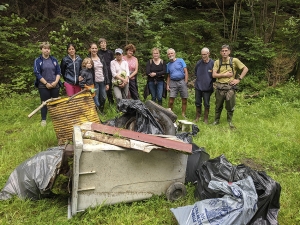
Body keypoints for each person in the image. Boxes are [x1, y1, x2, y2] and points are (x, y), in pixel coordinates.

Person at [212, 44, 249, 128]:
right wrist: (225, 75)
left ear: (229, 52)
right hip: (220, 87)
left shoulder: (234, 60)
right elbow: (214, 75)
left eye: (226, 51)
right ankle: (216, 121)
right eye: (222, 51)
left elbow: (245, 69)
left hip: (230, 87)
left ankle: (229, 121)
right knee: (218, 105)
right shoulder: (217, 62)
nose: (224, 52)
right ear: (220, 52)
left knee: (230, 105)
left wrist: (238, 79)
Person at [34, 42, 61, 126]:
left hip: (55, 84)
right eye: (45, 48)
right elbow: (37, 73)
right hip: (43, 86)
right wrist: (46, 83)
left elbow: (58, 72)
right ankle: (43, 120)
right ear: (41, 49)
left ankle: (56, 119)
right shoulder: (38, 60)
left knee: (55, 103)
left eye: (48, 48)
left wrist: (55, 82)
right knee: (44, 103)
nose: (47, 50)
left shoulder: (54, 60)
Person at [194, 47, 215, 124]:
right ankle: (197, 116)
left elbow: (215, 75)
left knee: (206, 103)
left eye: (205, 54)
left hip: (208, 87)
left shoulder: (213, 63)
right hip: (198, 86)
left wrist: (210, 81)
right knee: (197, 102)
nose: (203, 56)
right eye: (202, 54)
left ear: (208, 54)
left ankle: (206, 118)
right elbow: (196, 72)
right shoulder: (198, 63)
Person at [166, 48, 189, 118]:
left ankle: (183, 114)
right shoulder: (168, 65)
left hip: (182, 81)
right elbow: (169, 76)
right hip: (173, 82)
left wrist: (186, 82)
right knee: (171, 100)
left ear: (174, 54)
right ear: (167, 55)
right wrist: (167, 85)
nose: (170, 55)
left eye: (171, 53)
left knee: (184, 99)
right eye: (169, 54)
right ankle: (170, 114)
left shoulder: (180, 60)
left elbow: (186, 71)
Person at [88, 43, 109, 113]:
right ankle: (96, 112)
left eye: (95, 48)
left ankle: (101, 110)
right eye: (92, 48)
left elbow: (105, 70)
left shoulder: (101, 57)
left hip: (102, 81)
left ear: (97, 49)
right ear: (90, 49)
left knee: (103, 97)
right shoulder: (88, 59)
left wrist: (107, 83)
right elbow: (84, 70)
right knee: (95, 97)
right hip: (94, 82)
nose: (94, 50)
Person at [98, 38, 115, 104]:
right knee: (102, 89)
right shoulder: (98, 53)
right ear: (99, 45)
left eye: (104, 43)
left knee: (109, 89)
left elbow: (113, 63)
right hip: (101, 73)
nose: (103, 44)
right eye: (101, 43)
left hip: (109, 73)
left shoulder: (110, 52)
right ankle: (101, 104)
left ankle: (111, 103)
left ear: (106, 44)